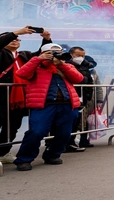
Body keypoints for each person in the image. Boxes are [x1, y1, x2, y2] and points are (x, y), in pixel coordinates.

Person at [13, 43, 84, 171]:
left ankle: (53, 155)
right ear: (44, 53)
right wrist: (38, 59)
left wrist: (61, 64)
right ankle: (24, 159)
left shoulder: (66, 65)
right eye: (52, 53)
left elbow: (78, 78)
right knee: (36, 131)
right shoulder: (36, 65)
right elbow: (22, 73)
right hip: (43, 105)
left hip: (67, 104)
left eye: (59, 52)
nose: (56, 55)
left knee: (64, 133)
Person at [0, 26, 52, 160]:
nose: (15, 40)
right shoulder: (1, 53)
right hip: (2, 96)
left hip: (18, 99)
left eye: (17, 39)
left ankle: (2, 153)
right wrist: (16, 32)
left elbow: (41, 55)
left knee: (12, 127)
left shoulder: (24, 55)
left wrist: (46, 40)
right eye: (11, 39)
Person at [65, 46, 99, 152]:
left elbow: (90, 82)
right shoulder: (66, 65)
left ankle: (72, 142)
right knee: (68, 121)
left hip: (82, 98)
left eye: (83, 55)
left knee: (78, 121)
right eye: (78, 55)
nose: (81, 57)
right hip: (69, 98)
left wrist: (89, 96)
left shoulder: (86, 67)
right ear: (71, 55)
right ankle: (65, 143)